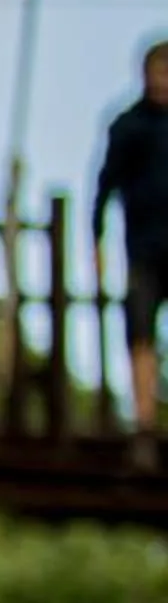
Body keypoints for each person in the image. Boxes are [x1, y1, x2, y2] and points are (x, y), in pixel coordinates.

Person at [92, 39, 168, 431]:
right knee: (140, 332)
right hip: (143, 249)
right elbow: (104, 187)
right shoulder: (129, 126)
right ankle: (145, 422)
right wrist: (97, 239)